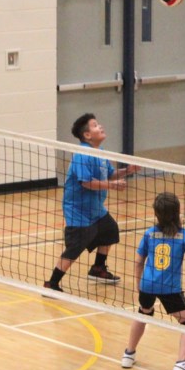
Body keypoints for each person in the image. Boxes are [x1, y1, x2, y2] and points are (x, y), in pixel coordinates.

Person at [121, 192, 185, 370]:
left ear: (156, 214)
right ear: (178, 212)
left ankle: (128, 354)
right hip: (169, 288)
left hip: (148, 284)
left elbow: (139, 261)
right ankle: (181, 364)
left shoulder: (149, 233)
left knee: (144, 312)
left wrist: (138, 283)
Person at [44, 113, 139, 292]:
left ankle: (98, 268)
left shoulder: (101, 153)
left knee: (110, 230)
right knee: (74, 249)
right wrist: (112, 186)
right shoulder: (82, 154)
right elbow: (86, 182)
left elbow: (109, 175)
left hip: (96, 209)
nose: (100, 127)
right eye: (95, 125)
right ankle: (52, 283)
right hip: (79, 212)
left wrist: (127, 170)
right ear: (87, 135)